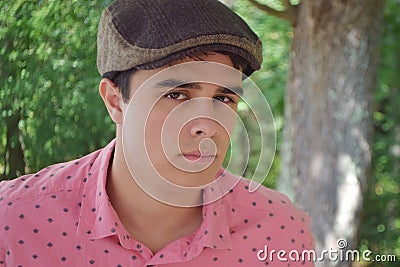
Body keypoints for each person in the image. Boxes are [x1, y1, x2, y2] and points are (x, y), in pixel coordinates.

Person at [0, 0, 315, 266]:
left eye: (223, 98)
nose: (206, 125)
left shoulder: (282, 230)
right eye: (176, 94)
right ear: (115, 101)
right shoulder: (13, 222)